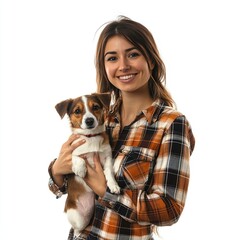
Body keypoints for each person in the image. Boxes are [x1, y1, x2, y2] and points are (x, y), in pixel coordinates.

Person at [48, 16, 195, 240]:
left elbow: (170, 209)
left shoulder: (171, 124)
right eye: (112, 58)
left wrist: (104, 190)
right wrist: (57, 171)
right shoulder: (103, 119)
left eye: (133, 54)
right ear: (104, 66)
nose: (123, 65)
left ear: (151, 60)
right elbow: (71, 187)